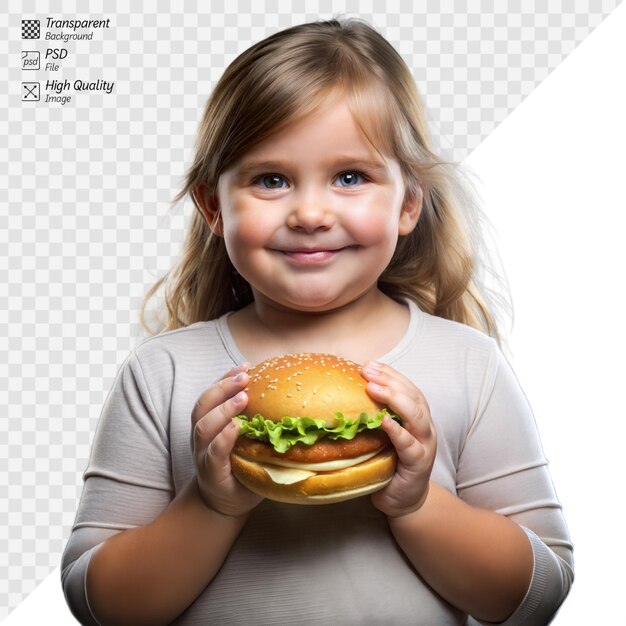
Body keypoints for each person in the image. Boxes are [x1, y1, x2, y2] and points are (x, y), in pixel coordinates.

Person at [61, 18, 573, 626]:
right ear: (213, 208)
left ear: (408, 202)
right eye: (270, 180)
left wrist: (416, 504)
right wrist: (211, 503)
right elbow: (104, 607)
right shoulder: (163, 372)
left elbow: (538, 595)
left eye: (350, 177)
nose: (309, 213)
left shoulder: (467, 364)